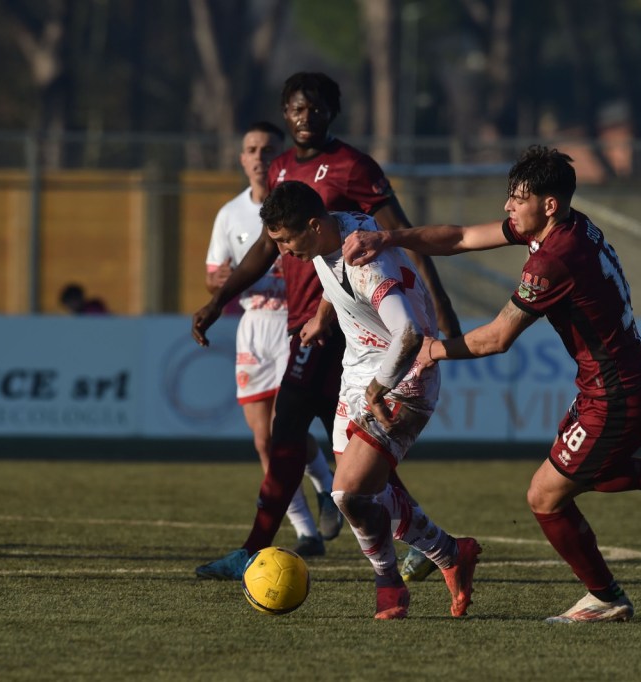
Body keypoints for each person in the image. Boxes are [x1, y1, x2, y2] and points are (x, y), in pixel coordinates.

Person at [344, 145, 641, 623]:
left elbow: (497, 337)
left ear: (549, 204)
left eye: (517, 198)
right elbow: (463, 237)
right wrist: (388, 238)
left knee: (545, 496)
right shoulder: (566, 225)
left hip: (618, 395)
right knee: (584, 473)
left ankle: (606, 597)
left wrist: (432, 349)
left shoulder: (555, 259)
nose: (508, 207)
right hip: (621, 384)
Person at [193, 72, 461, 581]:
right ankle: (428, 543)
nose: (305, 117)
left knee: (293, 433)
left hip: (349, 327)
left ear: (331, 112)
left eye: (315, 108)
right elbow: (267, 247)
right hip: (308, 322)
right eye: (296, 108)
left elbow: (401, 236)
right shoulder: (280, 169)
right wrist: (220, 299)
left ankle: (255, 549)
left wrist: (440, 310)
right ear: (285, 111)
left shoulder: (354, 167)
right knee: (350, 456)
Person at [261, 179, 480, 619]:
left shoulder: (365, 264)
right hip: (357, 372)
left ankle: (389, 584)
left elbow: (409, 333)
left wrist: (379, 386)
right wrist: (324, 317)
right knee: (366, 493)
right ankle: (450, 553)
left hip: (404, 376)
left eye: (286, 240)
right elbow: (332, 278)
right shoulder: (336, 230)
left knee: (348, 493)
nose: (284, 252)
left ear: (311, 226)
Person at [204, 121, 338, 557]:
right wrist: (221, 284)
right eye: (251, 149)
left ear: (280, 159)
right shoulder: (230, 214)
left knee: (289, 427)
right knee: (265, 439)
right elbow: (213, 276)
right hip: (253, 328)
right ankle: (308, 528)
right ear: (242, 158)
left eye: (267, 150)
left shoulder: (302, 205)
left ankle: (326, 494)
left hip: (294, 324)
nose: (259, 157)